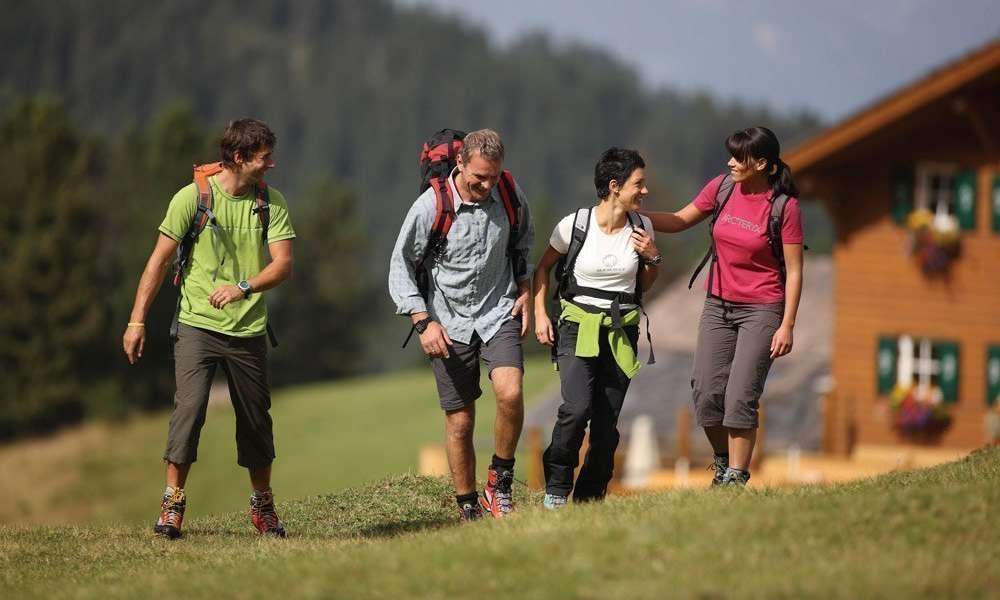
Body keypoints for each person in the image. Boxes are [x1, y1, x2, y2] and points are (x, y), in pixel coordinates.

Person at [122, 119, 296, 538]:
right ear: (239, 158)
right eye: (264, 157)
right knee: (189, 410)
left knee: (255, 420)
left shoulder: (270, 203)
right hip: (197, 325)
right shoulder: (192, 198)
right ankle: (172, 506)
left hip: (249, 329)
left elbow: (283, 265)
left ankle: (262, 506)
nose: (272, 164)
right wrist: (136, 320)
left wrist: (243, 288)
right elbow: (159, 262)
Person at [643, 126, 804, 486]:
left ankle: (735, 476)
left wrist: (787, 324)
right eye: (730, 155)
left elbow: (794, 270)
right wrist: (634, 215)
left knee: (740, 394)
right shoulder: (723, 188)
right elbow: (682, 219)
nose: (730, 162)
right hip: (717, 305)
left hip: (762, 309)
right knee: (706, 391)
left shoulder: (784, 207)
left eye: (739, 157)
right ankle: (722, 460)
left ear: (762, 164)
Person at [388, 129, 534, 521]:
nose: (487, 185)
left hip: (497, 308)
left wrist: (524, 285)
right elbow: (399, 267)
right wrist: (423, 322)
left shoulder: (508, 192)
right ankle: (467, 504)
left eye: (493, 176)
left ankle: (499, 483)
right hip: (447, 321)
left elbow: (523, 241)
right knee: (461, 420)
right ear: (460, 164)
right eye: (479, 178)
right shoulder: (429, 206)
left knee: (510, 392)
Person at [533, 147, 660, 509]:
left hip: (622, 331)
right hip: (576, 327)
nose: (645, 191)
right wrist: (541, 315)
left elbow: (645, 284)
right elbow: (542, 269)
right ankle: (556, 489)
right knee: (575, 410)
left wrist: (652, 256)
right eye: (640, 183)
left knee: (606, 426)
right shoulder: (574, 226)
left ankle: (589, 499)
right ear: (615, 186)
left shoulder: (642, 227)